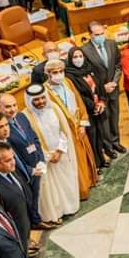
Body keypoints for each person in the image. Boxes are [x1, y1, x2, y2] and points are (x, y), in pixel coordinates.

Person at [21, 84, 79, 224]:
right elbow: (31, 141)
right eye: (36, 100)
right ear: (29, 100)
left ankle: (69, 208)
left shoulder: (54, 108)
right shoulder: (25, 116)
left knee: (66, 183)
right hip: (44, 158)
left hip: (61, 153)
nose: (40, 102)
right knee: (50, 189)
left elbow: (63, 131)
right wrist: (48, 156)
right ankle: (55, 213)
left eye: (42, 98)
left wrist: (59, 151)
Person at [44, 59, 99, 200]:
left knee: (85, 155)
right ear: (48, 74)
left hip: (78, 126)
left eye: (61, 71)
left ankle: (90, 181)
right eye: (55, 72)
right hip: (65, 132)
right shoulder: (46, 92)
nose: (59, 74)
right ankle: (81, 189)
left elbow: (79, 101)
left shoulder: (67, 82)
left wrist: (82, 124)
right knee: (75, 160)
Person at [0, 94, 48, 230]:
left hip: (36, 163)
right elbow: (12, 156)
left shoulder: (21, 117)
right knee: (28, 199)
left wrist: (40, 159)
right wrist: (30, 170)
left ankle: (36, 220)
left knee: (35, 195)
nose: (13, 109)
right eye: (8, 107)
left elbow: (34, 138)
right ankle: (31, 225)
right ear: (0, 108)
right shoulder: (2, 129)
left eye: (14, 105)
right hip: (22, 171)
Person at [81, 21, 125, 158]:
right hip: (99, 92)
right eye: (97, 35)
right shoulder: (84, 51)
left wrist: (114, 82)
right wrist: (102, 87)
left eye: (102, 33)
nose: (100, 36)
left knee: (115, 116)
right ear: (90, 35)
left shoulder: (111, 44)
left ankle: (116, 141)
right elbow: (87, 74)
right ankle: (108, 147)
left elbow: (118, 65)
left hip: (113, 88)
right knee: (104, 120)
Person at [66, 47, 110, 169]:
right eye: (75, 57)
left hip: (98, 108)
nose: (78, 59)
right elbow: (78, 95)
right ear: (70, 59)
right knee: (92, 137)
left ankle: (101, 160)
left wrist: (101, 102)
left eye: (80, 56)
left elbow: (100, 87)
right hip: (87, 111)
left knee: (100, 135)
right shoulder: (69, 76)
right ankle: (95, 164)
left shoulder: (90, 69)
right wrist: (94, 105)